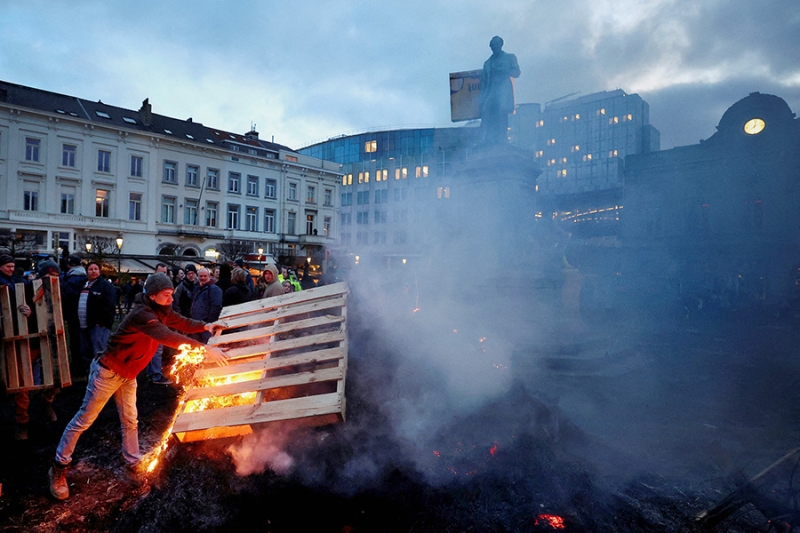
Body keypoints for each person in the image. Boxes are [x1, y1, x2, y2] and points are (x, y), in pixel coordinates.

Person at [48, 273, 228, 500]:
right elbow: (168, 336)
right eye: (166, 295)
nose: (171, 299)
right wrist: (204, 348)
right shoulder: (141, 315)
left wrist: (206, 326)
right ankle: (58, 467)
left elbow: (179, 322)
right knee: (84, 420)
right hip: (107, 373)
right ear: (152, 296)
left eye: (172, 294)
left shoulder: (161, 310)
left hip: (128, 375)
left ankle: (132, 461)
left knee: (130, 420)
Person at [7, 260, 63, 440]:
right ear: (41, 276)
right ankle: (22, 422)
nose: (51, 280)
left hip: (50, 341)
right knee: (23, 384)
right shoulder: (24, 289)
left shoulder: (59, 292)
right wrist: (22, 310)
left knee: (58, 378)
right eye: (48, 276)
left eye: (55, 277)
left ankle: (46, 402)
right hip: (28, 342)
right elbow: (11, 311)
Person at [479, 36, 520, 145]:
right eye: (492, 46)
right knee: (486, 112)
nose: (494, 47)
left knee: (502, 112)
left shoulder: (509, 58)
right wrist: (482, 99)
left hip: (503, 89)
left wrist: (506, 71)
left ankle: (502, 137)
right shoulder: (487, 63)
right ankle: (485, 137)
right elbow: (484, 83)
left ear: (501, 45)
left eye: (496, 45)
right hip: (491, 91)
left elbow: (517, 72)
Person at [77, 262, 116, 373]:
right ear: (86, 271)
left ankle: (101, 375)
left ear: (99, 271)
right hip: (83, 324)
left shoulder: (105, 286)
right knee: (86, 351)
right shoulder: (83, 285)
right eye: (90, 269)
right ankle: (90, 373)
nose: (93, 271)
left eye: (96, 269)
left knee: (98, 351)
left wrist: (103, 322)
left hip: (98, 326)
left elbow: (110, 305)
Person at [61, 255, 88, 377]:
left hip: (74, 316)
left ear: (69, 266)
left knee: (75, 341)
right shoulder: (87, 279)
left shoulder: (71, 280)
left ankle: (77, 366)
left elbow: (69, 299)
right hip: (87, 315)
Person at [145, 263, 170, 385]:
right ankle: (155, 374)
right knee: (156, 348)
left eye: (164, 273)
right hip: (154, 322)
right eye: (160, 273)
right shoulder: (151, 286)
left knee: (153, 348)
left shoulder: (163, 285)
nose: (163, 276)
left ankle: (151, 373)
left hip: (159, 320)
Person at [189, 268, 223, 343]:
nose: (202, 278)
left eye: (205, 276)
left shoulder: (214, 289)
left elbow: (216, 307)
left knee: (207, 346)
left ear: (209, 276)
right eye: (201, 276)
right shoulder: (197, 288)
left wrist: (209, 322)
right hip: (196, 325)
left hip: (207, 326)